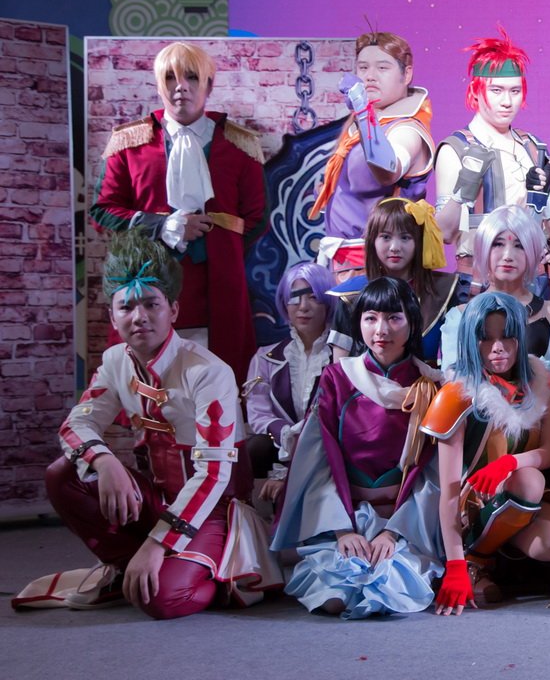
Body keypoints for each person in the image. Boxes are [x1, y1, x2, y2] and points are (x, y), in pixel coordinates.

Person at [44, 231, 278, 618]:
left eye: (151, 304)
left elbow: (213, 476)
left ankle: (214, 574)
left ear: (173, 309)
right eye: (126, 307)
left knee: (161, 599)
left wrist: (157, 543)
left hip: (214, 509)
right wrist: (104, 461)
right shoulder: (116, 361)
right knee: (62, 474)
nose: (139, 317)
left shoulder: (207, 372)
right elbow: (75, 425)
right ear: (113, 316)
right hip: (157, 498)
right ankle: (124, 566)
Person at [91, 41, 264, 383]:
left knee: (218, 382)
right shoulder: (130, 144)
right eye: (169, 77)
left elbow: (256, 218)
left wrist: (221, 247)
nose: (180, 86)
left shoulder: (239, 145)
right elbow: (104, 211)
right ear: (158, 85)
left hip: (219, 290)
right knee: (145, 387)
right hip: (147, 282)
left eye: (191, 77)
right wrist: (161, 226)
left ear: (209, 85)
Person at [271, 277, 444, 619]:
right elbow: (317, 461)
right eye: (371, 318)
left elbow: (434, 473)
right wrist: (342, 529)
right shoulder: (338, 379)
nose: (381, 329)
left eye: (394, 318)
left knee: (387, 590)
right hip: (345, 514)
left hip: (406, 522)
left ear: (412, 322)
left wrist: (393, 533)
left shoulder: (429, 386)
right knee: (335, 596)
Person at [425, 292, 550, 612]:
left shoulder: (537, 381)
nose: (498, 347)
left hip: (518, 499)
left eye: (507, 337)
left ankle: (492, 559)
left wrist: (509, 462)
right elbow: (448, 489)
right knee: (530, 482)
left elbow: (549, 451)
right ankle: (471, 562)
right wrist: (454, 564)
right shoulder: (457, 393)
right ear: (470, 340)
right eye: (486, 338)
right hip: (469, 507)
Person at [434, 29, 550, 278]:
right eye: (496, 90)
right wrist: (462, 192)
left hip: (533, 280)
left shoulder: (532, 146)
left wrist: (546, 209)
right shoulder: (456, 148)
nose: (507, 101)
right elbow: (444, 234)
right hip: (479, 281)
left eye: (515, 91)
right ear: (476, 90)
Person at [439, 205, 550, 402]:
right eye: (498, 244)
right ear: (483, 248)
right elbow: (453, 388)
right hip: (478, 419)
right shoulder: (460, 317)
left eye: (519, 246)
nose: (508, 255)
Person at [308, 31, 436, 244]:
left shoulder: (407, 130)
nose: (370, 76)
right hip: (341, 253)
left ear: (406, 75)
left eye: (383, 68)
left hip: (382, 256)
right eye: (363, 67)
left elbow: (388, 172)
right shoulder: (361, 124)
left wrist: (363, 111)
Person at [243, 262, 336, 506]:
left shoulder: (343, 356)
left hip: (329, 451)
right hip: (279, 450)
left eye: (313, 297)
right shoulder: (265, 358)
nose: (303, 306)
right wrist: (286, 433)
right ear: (284, 303)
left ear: (328, 302)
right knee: (255, 448)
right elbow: (258, 414)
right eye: (295, 297)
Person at [328, 198, 458, 363]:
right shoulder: (352, 294)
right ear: (372, 241)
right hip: (364, 379)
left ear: (419, 241)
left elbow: (456, 358)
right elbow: (340, 366)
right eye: (386, 237)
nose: (395, 247)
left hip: (427, 379)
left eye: (405, 237)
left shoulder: (444, 289)